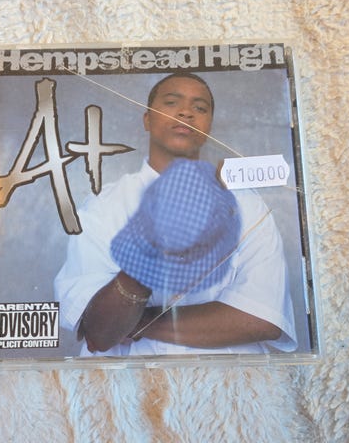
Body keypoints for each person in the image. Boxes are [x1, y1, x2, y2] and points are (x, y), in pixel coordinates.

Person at [54, 73, 297, 356]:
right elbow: (99, 333)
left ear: (209, 126)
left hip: (228, 380)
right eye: (171, 102)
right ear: (147, 120)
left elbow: (262, 320)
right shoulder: (102, 207)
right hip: (127, 381)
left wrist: (139, 323)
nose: (186, 112)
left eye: (200, 108)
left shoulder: (246, 204)